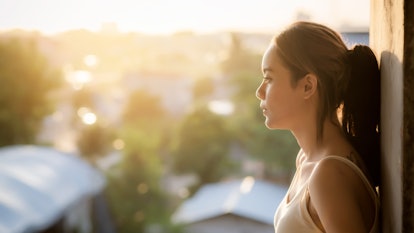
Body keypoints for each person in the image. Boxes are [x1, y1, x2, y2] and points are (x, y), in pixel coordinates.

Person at [256, 21, 380, 233]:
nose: (260, 91)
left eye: (269, 78)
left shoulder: (329, 173)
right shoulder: (306, 158)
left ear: (308, 86)